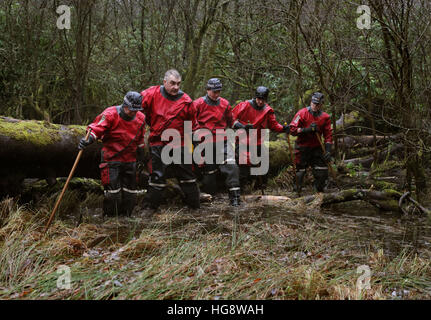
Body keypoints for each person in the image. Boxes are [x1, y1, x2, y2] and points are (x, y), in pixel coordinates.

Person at [78, 91, 146, 217]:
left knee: (130, 192)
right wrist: (89, 139)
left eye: (135, 110)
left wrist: (141, 156)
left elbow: (140, 139)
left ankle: (126, 218)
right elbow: (97, 128)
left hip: (130, 159)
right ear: (124, 105)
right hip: (111, 158)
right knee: (113, 193)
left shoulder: (141, 118)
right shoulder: (110, 114)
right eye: (131, 110)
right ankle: (110, 218)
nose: (133, 113)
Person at [140, 69, 200, 210]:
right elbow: (135, 110)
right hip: (158, 141)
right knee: (157, 177)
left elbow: (192, 124)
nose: (176, 87)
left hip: (180, 142)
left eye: (178, 84)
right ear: (164, 82)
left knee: (188, 176)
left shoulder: (186, 101)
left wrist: (195, 141)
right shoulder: (150, 94)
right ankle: (149, 209)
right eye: (172, 83)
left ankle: (194, 208)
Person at [194, 78, 241, 206]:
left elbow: (231, 121)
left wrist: (240, 126)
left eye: (218, 91)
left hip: (222, 140)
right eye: (214, 92)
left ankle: (235, 198)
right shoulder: (198, 104)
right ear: (207, 90)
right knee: (209, 174)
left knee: (232, 166)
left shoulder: (225, 104)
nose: (216, 94)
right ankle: (208, 197)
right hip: (204, 142)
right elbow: (191, 124)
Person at [232, 86, 289, 190]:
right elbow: (231, 118)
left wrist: (283, 128)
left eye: (263, 100)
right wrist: (241, 126)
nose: (260, 102)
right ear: (255, 97)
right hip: (242, 140)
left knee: (263, 165)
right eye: (258, 99)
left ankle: (259, 189)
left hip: (258, 141)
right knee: (243, 164)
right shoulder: (244, 105)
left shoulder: (267, 110)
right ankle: (241, 189)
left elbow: (273, 125)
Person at [289, 92, 333, 193]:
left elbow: (328, 135)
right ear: (311, 102)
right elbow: (292, 129)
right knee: (299, 172)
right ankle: (296, 193)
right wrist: (306, 130)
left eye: (317, 104)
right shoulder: (301, 113)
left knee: (321, 171)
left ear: (321, 104)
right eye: (313, 103)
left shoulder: (325, 117)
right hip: (302, 147)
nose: (314, 106)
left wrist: (328, 151)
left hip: (317, 147)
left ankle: (320, 194)